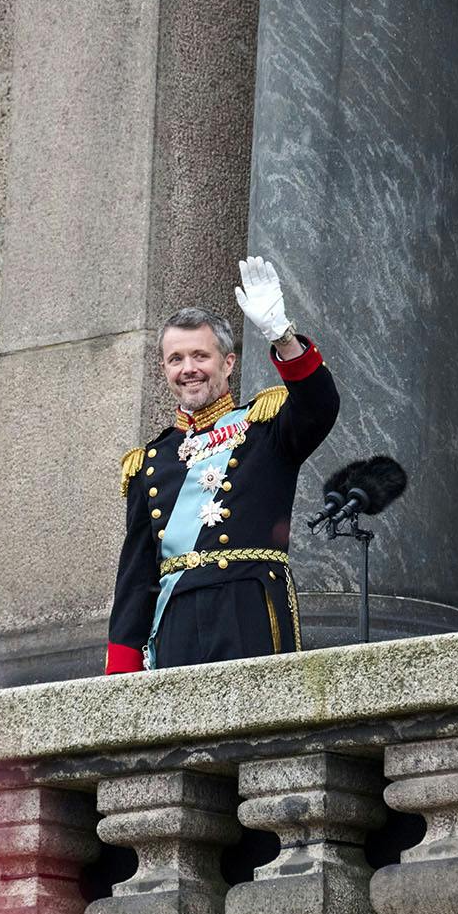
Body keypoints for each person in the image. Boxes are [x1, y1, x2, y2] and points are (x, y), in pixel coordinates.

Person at [105, 257, 340, 672]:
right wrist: (119, 675)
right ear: (164, 369)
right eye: (175, 359)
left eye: (200, 355)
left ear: (227, 363)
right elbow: (137, 578)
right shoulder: (149, 463)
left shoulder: (265, 428)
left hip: (248, 610)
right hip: (175, 623)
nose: (188, 369)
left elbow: (320, 406)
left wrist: (283, 338)